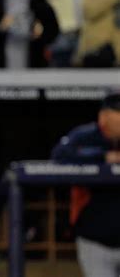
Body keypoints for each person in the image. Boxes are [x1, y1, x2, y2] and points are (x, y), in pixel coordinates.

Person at [51, 91, 120, 277]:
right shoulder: (85, 136)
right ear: (104, 116)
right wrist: (102, 157)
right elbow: (59, 157)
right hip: (95, 242)